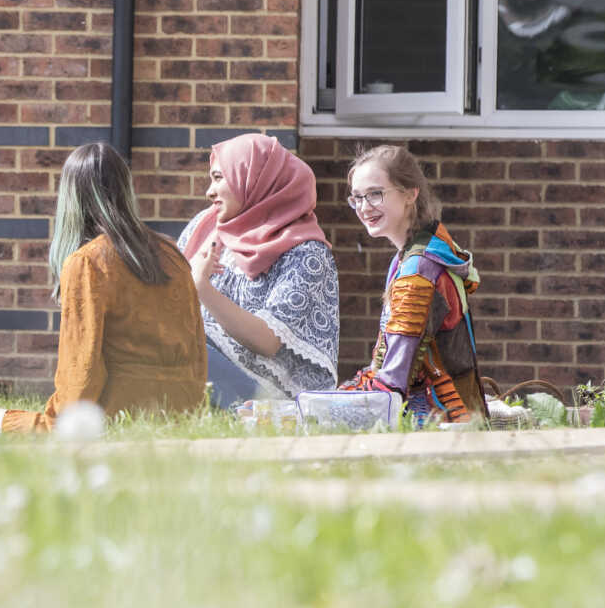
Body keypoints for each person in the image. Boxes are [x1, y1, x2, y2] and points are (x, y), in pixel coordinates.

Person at [0, 143, 206, 433]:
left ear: (71, 199)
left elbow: (81, 377)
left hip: (110, 416)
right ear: (126, 190)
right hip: (182, 411)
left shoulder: (87, 263)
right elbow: (197, 351)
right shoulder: (173, 254)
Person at [177, 133, 340, 407]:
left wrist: (202, 289)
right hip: (201, 367)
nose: (209, 191)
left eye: (219, 178)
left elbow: (266, 342)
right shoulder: (204, 227)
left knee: (175, 348)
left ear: (254, 179)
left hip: (269, 396)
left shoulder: (306, 253)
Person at [337, 144, 489, 424]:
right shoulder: (426, 249)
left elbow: (393, 381)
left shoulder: (417, 273)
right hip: (454, 418)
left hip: (438, 426)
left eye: (375, 194)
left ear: (410, 193)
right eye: (357, 197)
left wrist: (329, 406)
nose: (363, 207)